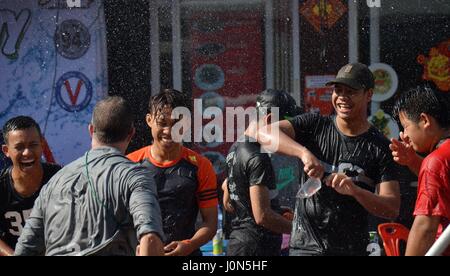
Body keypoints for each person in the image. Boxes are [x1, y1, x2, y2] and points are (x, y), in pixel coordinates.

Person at [254, 63, 401, 256]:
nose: (342, 97)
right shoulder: (314, 125)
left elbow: (391, 208)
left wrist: (355, 191)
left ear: (369, 94)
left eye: (351, 91)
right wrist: (303, 153)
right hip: (304, 248)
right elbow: (263, 132)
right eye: (338, 90)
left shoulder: (380, 147)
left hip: (350, 250)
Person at [14, 96, 165, 256]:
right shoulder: (134, 176)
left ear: (91, 130)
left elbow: (24, 250)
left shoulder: (53, 183)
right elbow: (149, 238)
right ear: (131, 134)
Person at [127, 88, 218, 256]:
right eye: (162, 123)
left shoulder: (201, 166)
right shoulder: (130, 164)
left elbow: (211, 223)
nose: (169, 131)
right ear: (149, 120)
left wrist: (189, 245)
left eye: (177, 123)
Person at [222, 89, 299, 256]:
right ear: (270, 120)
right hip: (256, 248)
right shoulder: (258, 156)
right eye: (286, 125)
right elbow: (262, 216)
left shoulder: (235, 148)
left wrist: (276, 209)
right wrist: (301, 230)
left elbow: (229, 204)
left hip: (240, 244)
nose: (290, 134)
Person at [392, 85, 450, 256]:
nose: (404, 135)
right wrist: (413, 161)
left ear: (425, 120)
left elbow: (425, 227)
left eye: (406, 126)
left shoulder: (436, 161)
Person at [0, 116, 61, 256]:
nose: (27, 153)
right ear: (6, 150)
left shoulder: (60, 178)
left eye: (33, 145)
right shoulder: (1, 186)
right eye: (19, 147)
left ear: (42, 144)